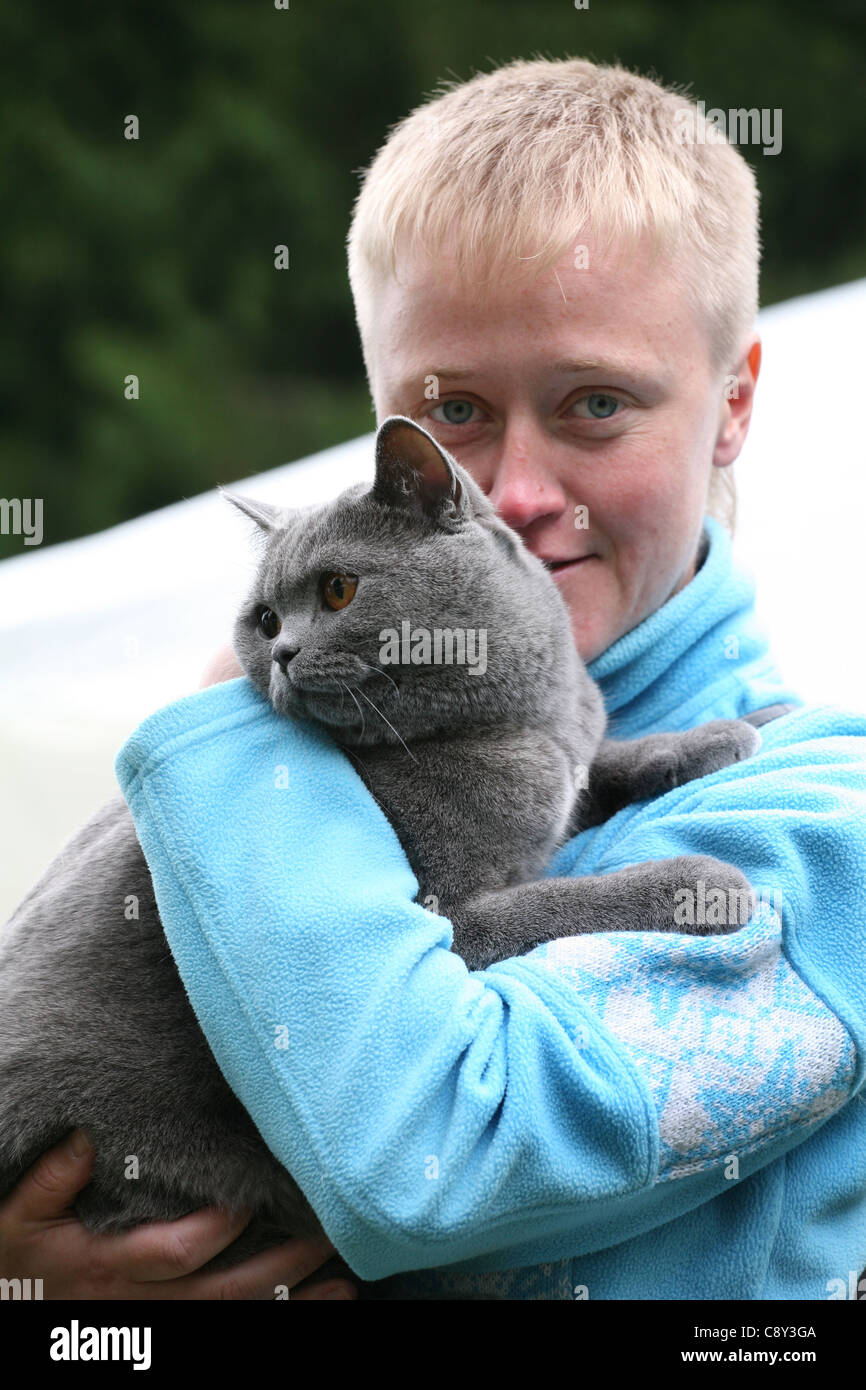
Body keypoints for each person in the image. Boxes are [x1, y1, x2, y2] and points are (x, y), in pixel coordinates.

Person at [3, 57, 864, 1301]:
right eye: (449, 410)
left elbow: (423, 1158)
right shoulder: (347, 727)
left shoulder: (824, 830)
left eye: (595, 403)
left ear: (731, 404)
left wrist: (225, 732)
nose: (511, 494)